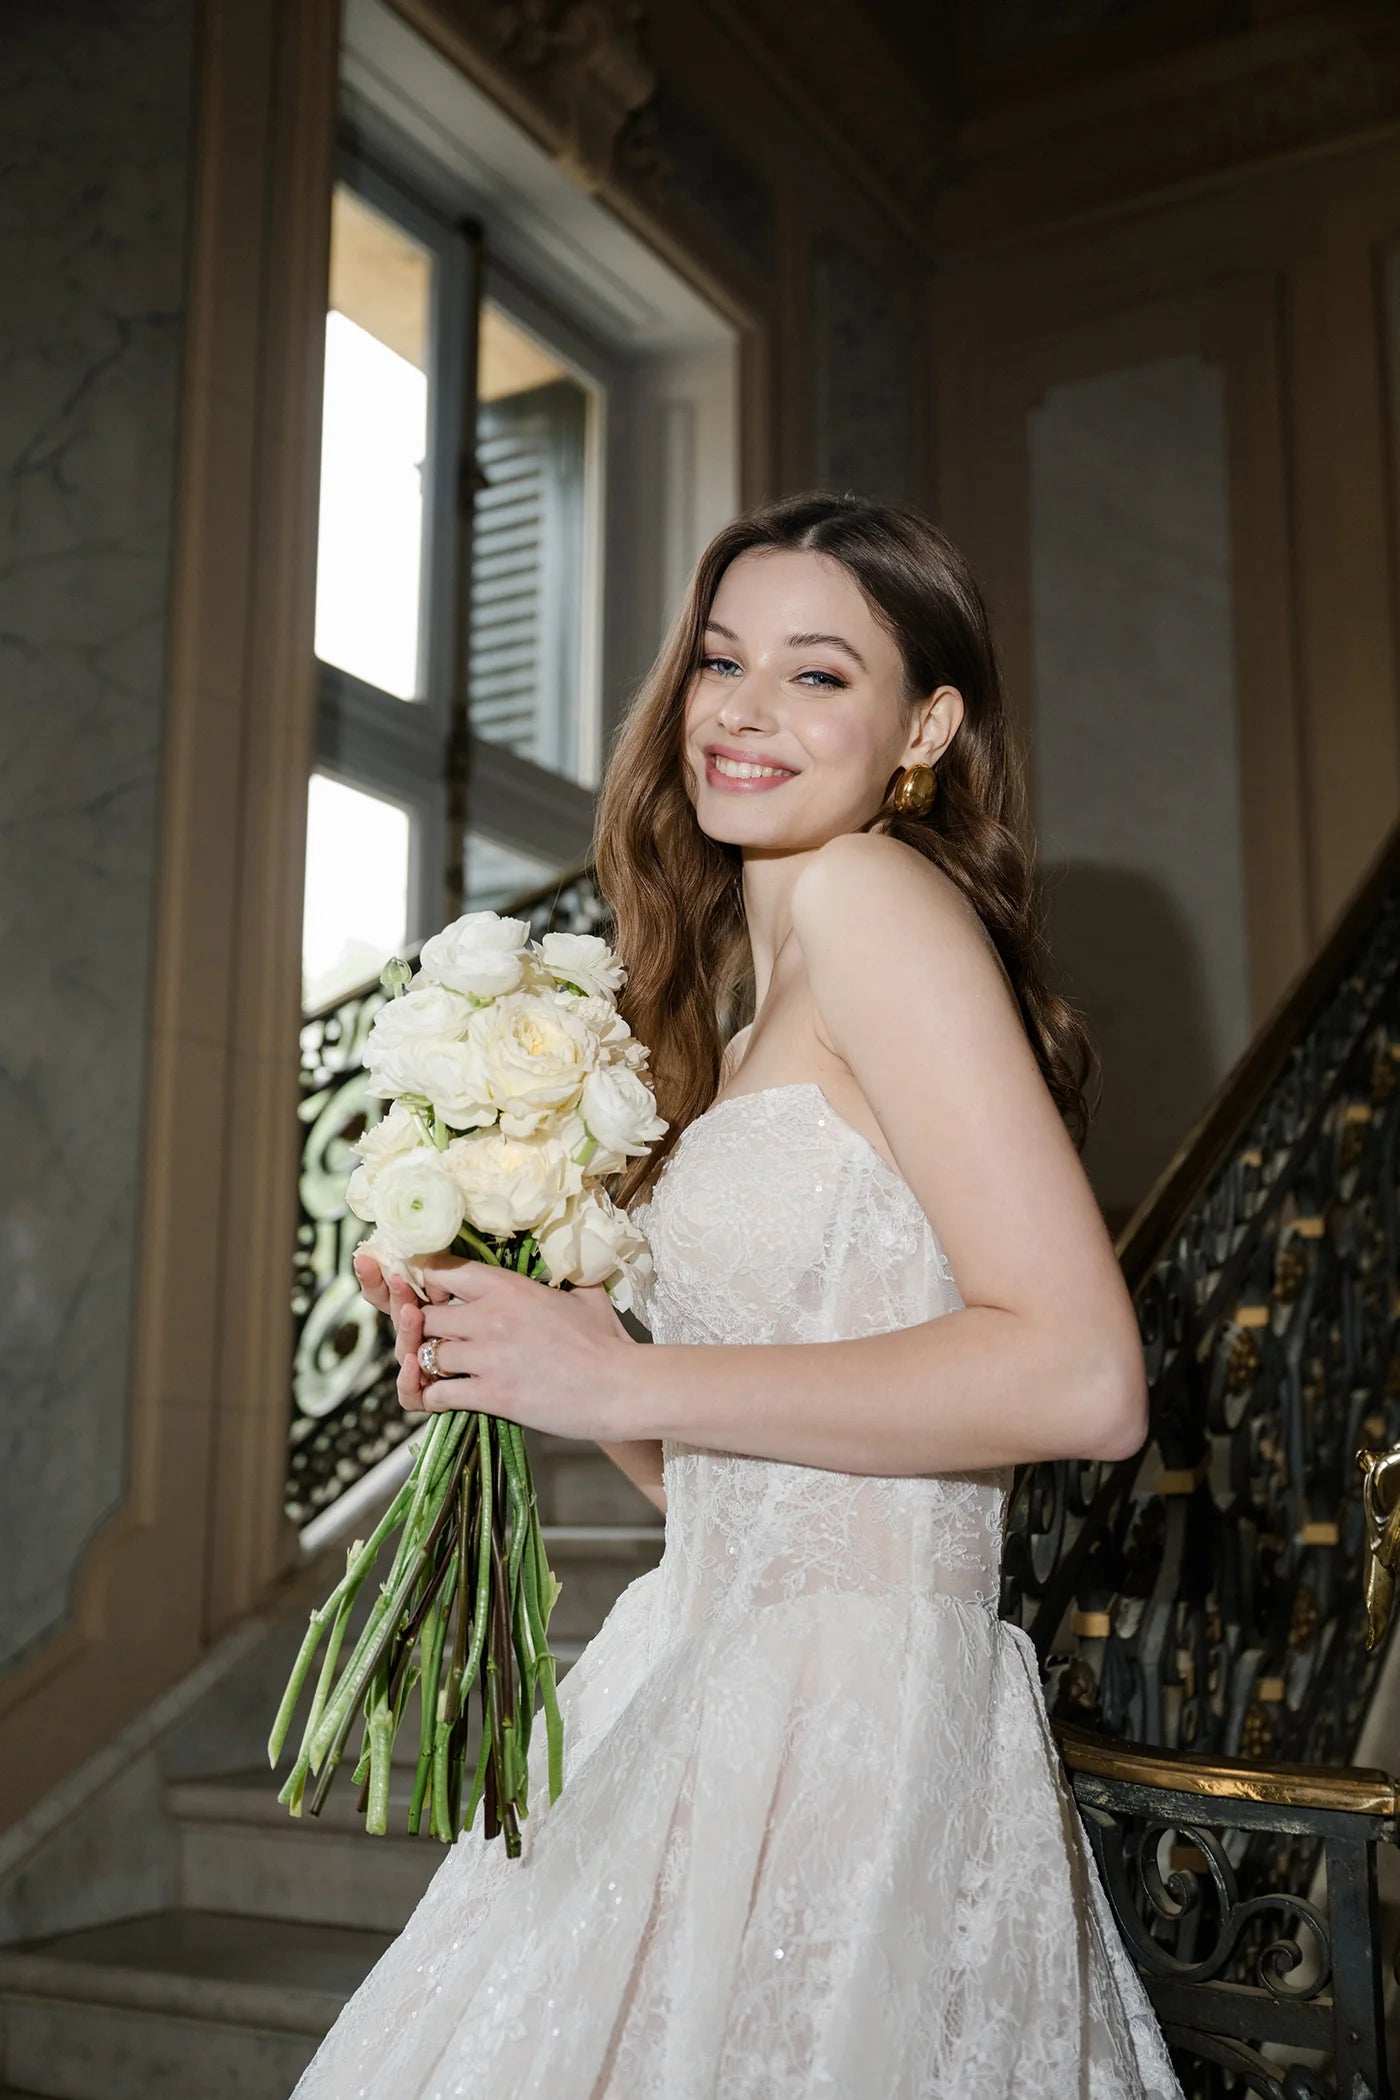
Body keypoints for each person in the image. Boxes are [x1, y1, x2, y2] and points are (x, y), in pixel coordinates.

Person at [291, 493, 1184, 2098]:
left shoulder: (872, 900)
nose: (745, 710)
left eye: (819, 675)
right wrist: (532, 1363)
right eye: (720, 659)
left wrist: (631, 1383)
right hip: (714, 1670)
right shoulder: (742, 1007)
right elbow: (742, 1487)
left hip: (852, 1723)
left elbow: (1081, 1380)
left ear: (927, 724)